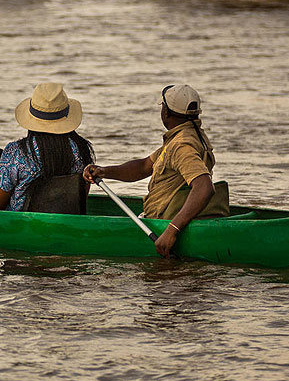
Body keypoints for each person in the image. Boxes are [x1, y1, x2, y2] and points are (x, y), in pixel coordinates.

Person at [82, 83, 226, 257]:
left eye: (163, 107)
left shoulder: (181, 145)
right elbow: (144, 166)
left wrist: (171, 231)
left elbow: (204, 187)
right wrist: (104, 172)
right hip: (171, 215)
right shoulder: (189, 136)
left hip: (163, 223)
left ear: (166, 113)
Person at [0, 82, 93, 213]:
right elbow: (82, 196)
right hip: (63, 213)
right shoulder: (82, 148)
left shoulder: (16, 152)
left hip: (21, 219)